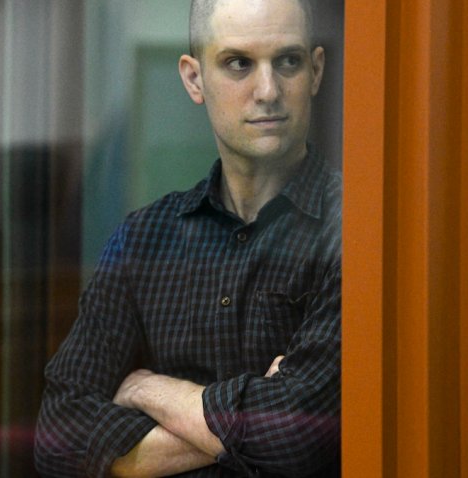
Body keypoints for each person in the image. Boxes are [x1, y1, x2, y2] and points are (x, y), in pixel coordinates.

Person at [35, 0, 341, 476]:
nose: (268, 90)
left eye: (288, 61)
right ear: (194, 79)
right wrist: (255, 414)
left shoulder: (357, 228)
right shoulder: (144, 240)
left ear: (316, 70)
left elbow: (297, 439)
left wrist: (147, 391)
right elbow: (58, 437)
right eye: (238, 63)